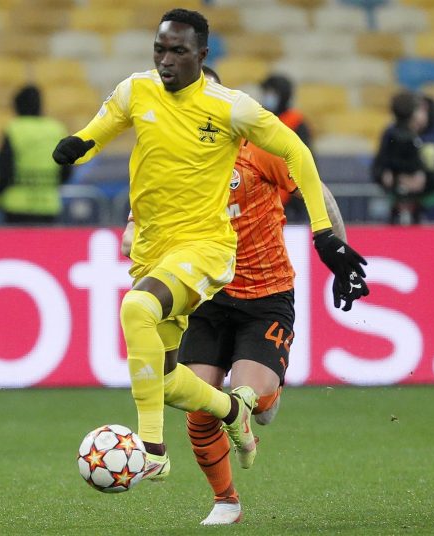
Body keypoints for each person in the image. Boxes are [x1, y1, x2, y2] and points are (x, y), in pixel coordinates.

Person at [52, 8, 368, 484]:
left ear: (201, 58)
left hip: (231, 269)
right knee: (170, 382)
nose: (165, 61)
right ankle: (227, 451)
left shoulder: (234, 115)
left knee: (138, 311)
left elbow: (303, 163)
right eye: (160, 49)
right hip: (187, 276)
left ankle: (154, 451)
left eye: (178, 52)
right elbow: (110, 128)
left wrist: (329, 241)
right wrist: (78, 144)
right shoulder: (139, 94)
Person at [121, 66, 366, 525]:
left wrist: (340, 251)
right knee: (196, 403)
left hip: (265, 296)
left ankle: (262, 400)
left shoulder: (259, 147)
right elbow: (138, 218)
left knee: (256, 401)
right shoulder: (167, 157)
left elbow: (320, 194)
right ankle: (226, 502)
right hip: (205, 296)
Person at [372, 90, 434, 224]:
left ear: (423, 108)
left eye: (412, 120)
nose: (410, 126)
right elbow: (378, 166)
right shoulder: (394, 130)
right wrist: (385, 176)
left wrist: (426, 180)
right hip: (403, 204)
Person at [0, 84, 70, 224]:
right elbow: (67, 169)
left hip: (16, 204)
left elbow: (4, 168)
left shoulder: (14, 128)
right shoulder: (57, 129)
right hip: (48, 204)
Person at [260, 73, 313, 222]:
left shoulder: (297, 122)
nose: (267, 96)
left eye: (271, 93)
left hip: (291, 195)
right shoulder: (260, 119)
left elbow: (305, 159)